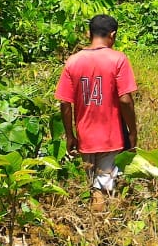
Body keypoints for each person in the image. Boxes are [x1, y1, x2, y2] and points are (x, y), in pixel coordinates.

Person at [56, 14, 139, 211]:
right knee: (102, 191)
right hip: (111, 137)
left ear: (89, 33)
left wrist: (70, 135)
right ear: (113, 35)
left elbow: (65, 103)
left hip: (85, 138)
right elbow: (125, 100)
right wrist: (132, 131)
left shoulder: (73, 61)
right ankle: (101, 226)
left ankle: (96, 223)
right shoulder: (118, 59)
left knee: (95, 186)